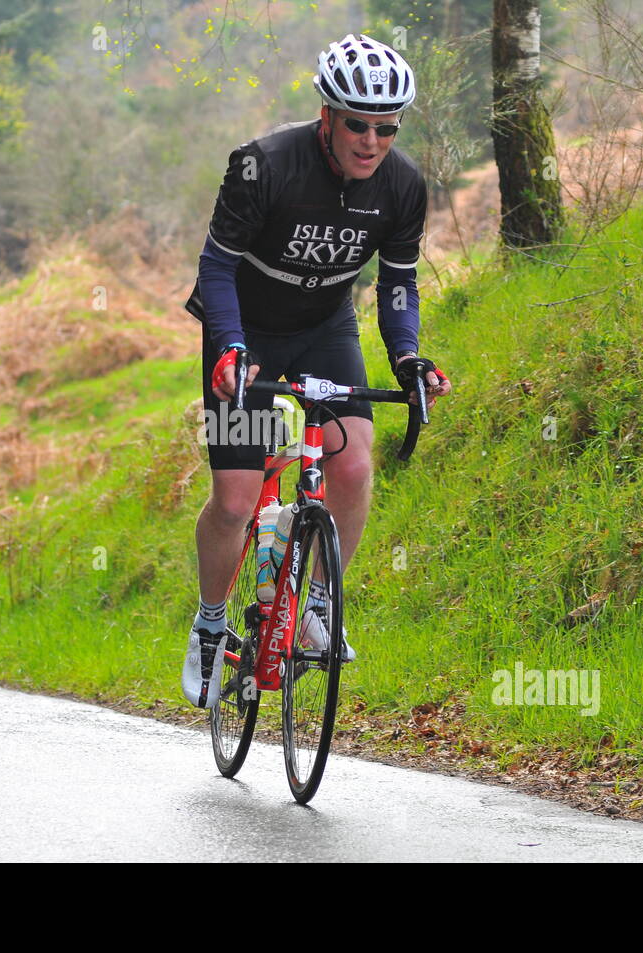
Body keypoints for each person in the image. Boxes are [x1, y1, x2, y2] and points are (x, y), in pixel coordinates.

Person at [181, 33, 452, 708]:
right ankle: (210, 624)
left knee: (355, 464)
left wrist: (410, 357)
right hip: (245, 327)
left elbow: (398, 285)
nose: (371, 140)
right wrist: (227, 351)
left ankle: (320, 607)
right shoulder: (263, 166)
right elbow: (216, 268)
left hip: (326, 325)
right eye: (357, 124)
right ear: (327, 115)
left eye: (386, 127)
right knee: (237, 499)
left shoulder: (403, 185)